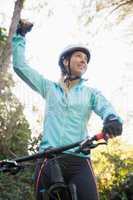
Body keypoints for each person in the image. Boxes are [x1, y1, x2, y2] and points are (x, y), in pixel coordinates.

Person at [12, 20, 123, 200]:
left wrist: (111, 118)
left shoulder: (90, 93)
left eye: (86, 59)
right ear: (65, 61)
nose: (83, 61)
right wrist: (20, 36)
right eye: (79, 56)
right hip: (48, 159)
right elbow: (20, 67)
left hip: (79, 160)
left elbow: (105, 106)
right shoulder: (48, 88)